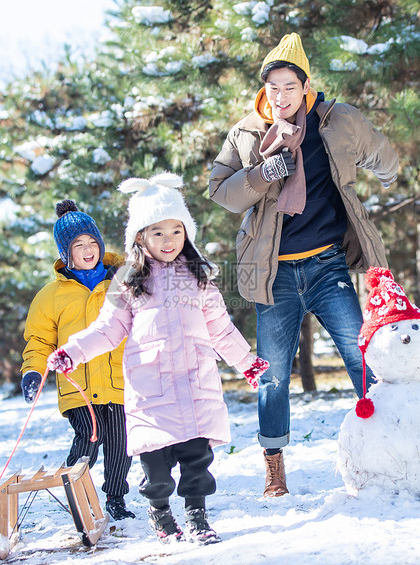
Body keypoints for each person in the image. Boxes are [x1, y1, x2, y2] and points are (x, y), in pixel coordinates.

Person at [208, 33, 399, 498]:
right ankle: (275, 467)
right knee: (272, 373)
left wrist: (387, 173)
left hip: (326, 264)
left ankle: (386, 448)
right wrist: (260, 174)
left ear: (305, 85)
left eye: (288, 86)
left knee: (361, 355)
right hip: (274, 274)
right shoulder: (249, 132)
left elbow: (381, 151)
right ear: (264, 90)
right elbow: (220, 190)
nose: (280, 96)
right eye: (272, 88)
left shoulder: (336, 120)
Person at [45, 173, 268, 545]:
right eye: (158, 232)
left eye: (176, 231)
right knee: (158, 471)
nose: (169, 241)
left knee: (198, 462)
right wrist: (73, 351)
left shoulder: (199, 277)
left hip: (195, 383)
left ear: (187, 232)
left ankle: (197, 517)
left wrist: (246, 360)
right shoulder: (128, 280)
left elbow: (220, 327)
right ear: (139, 236)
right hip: (151, 391)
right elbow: (107, 329)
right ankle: (160, 510)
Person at [20, 199, 135, 521]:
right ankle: (74, 490)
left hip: (118, 381)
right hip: (77, 385)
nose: (88, 250)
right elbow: (39, 340)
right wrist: (32, 370)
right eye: (78, 245)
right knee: (88, 437)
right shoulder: (50, 296)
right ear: (64, 253)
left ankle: (116, 498)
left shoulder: (123, 283)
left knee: (120, 444)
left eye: (92, 243)